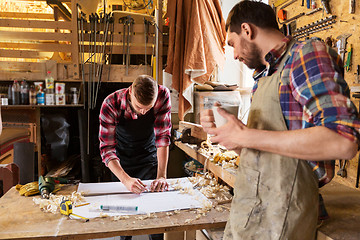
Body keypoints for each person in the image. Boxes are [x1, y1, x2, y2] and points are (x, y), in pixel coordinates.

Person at [200, 1, 360, 239]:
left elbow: (343, 141)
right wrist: (234, 141)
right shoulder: (266, 75)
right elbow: (270, 156)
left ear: (247, 29)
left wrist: (246, 135)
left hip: (283, 217)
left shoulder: (306, 55)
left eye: (232, 44)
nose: (234, 55)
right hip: (252, 211)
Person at [99, 75, 172, 240]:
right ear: (130, 92)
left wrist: (162, 175)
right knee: (125, 218)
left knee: (156, 216)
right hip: (121, 161)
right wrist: (125, 180)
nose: (144, 112)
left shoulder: (162, 95)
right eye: (140, 107)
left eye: (149, 108)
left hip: (148, 155)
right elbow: (107, 149)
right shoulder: (111, 104)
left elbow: (162, 138)